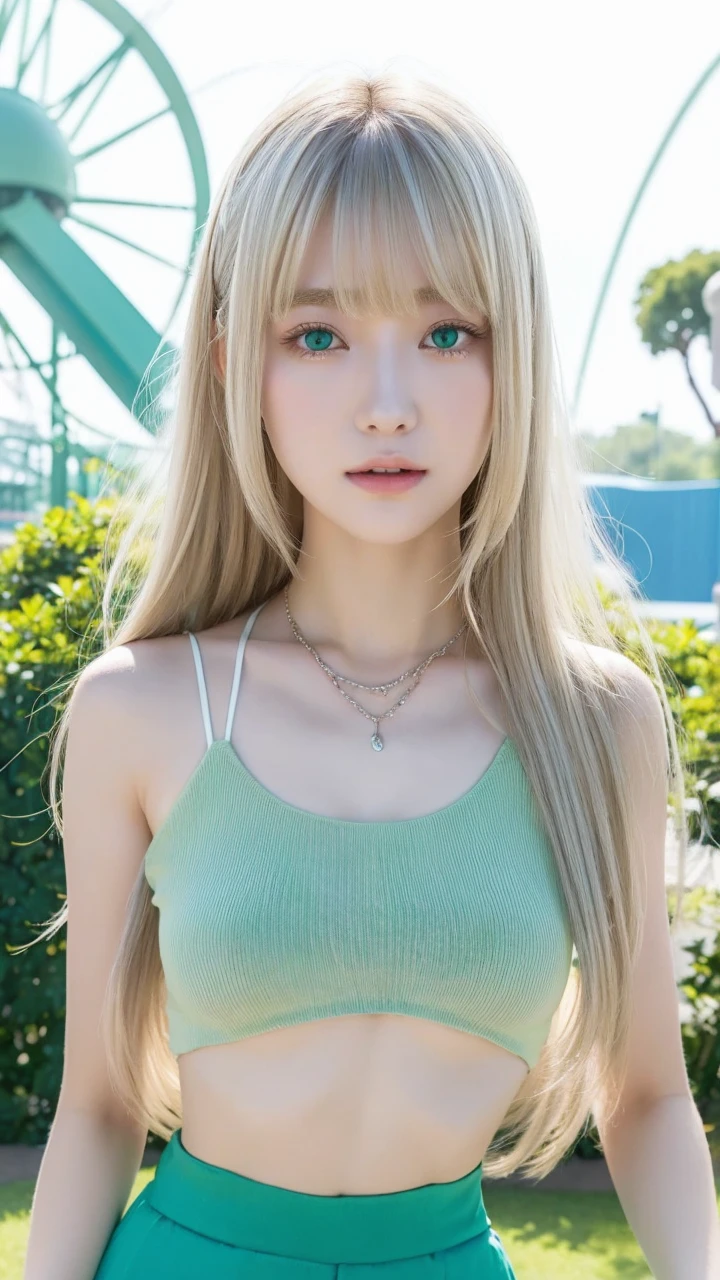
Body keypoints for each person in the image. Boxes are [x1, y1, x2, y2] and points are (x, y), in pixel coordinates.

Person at [20, 67, 720, 1280]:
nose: (386, 404)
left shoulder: (595, 721)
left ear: (515, 359)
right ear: (240, 361)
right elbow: (96, 1108)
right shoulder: (145, 708)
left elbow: (649, 1095)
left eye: (447, 332)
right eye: (320, 334)